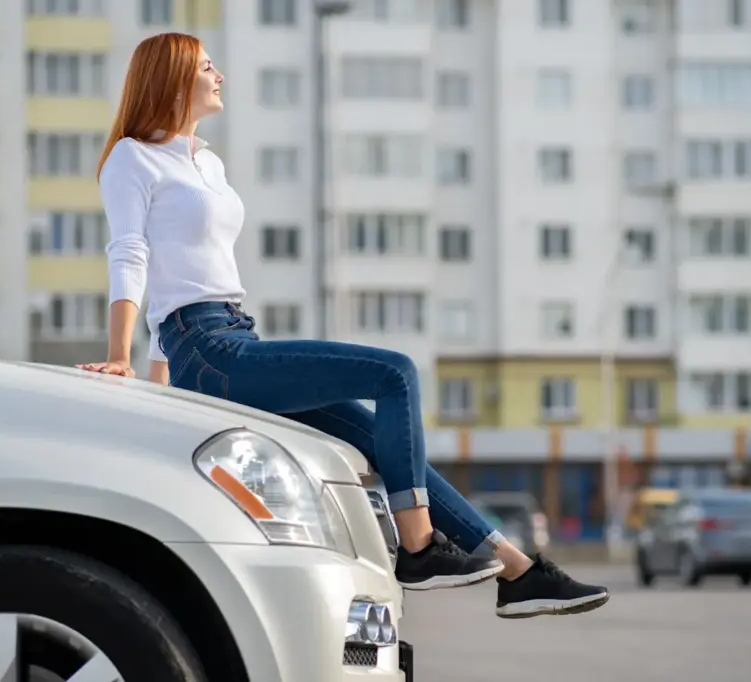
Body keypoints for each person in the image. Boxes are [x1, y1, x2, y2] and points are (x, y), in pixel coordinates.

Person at [78, 32, 609, 619]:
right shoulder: (131, 157)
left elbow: (186, 266)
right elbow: (131, 255)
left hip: (230, 337)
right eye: (207, 67)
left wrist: (164, 387)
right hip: (206, 347)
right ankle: (419, 546)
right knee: (396, 373)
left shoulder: (207, 160)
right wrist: (121, 356)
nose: (219, 75)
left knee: (377, 438)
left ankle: (519, 572)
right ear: (174, 78)